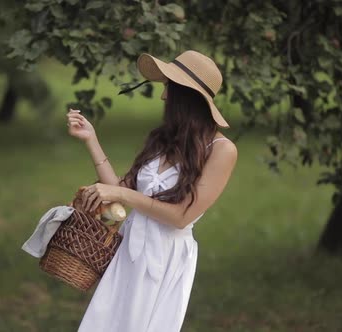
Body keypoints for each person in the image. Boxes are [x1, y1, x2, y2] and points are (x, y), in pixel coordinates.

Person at [65, 50, 238, 332]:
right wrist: (91, 139)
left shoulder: (221, 150)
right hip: (129, 249)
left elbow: (181, 216)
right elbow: (120, 189)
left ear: (185, 96)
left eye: (168, 87)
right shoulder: (163, 139)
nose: (164, 96)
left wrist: (123, 196)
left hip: (164, 256)